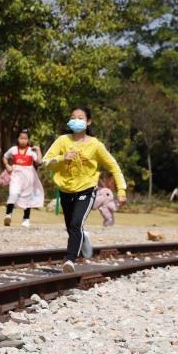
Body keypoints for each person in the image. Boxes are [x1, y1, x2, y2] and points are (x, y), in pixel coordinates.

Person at [41, 106, 127, 273]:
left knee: (75, 224)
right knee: (71, 226)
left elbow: (114, 167)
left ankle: (70, 260)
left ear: (88, 122)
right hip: (65, 190)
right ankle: (83, 237)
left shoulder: (95, 145)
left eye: (81, 118)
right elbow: (45, 162)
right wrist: (61, 158)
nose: (76, 121)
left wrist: (121, 191)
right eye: (73, 117)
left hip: (86, 191)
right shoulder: (62, 141)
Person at [2, 129, 44, 227]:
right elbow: (4, 157)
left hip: (28, 177)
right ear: (18, 139)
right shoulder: (13, 149)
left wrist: (38, 150)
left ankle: (26, 219)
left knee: (27, 198)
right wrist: (7, 165)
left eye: (25, 138)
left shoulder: (31, 151)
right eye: (21, 138)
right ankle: (8, 215)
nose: (23, 140)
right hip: (16, 176)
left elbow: (40, 162)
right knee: (13, 194)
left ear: (28, 140)